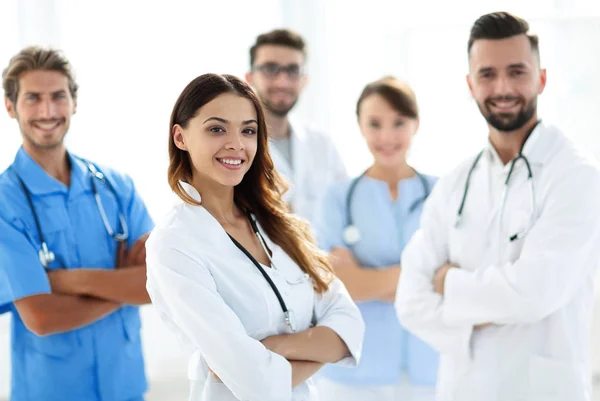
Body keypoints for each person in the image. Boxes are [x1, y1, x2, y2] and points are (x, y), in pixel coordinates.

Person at [396, 12, 600, 401]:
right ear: (470, 85)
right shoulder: (455, 182)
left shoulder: (576, 175)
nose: (503, 87)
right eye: (487, 74)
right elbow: (410, 301)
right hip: (463, 389)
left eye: (517, 72)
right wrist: (500, 302)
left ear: (541, 78)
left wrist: (449, 285)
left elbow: (537, 292)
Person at [145, 73, 364, 401]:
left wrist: (271, 349)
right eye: (217, 129)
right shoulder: (174, 243)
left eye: (248, 130)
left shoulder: (276, 223)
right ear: (180, 137)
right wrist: (320, 349)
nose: (236, 144)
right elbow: (255, 381)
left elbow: (349, 325)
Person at [0, 46, 154, 401]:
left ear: (74, 102)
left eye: (58, 96)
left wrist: (69, 282)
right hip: (52, 391)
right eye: (33, 98)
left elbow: (156, 284)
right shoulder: (7, 203)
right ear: (10, 106)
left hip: (125, 385)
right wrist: (120, 289)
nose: (48, 111)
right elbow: (41, 317)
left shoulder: (116, 187)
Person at [313, 77, 438, 400]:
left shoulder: (443, 194)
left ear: (416, 124)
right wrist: (421, 277)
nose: (387, 136)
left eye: (399, 122)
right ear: (360, 126)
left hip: (432, 368)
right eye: (375, 123)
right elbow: (340, 284)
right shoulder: (337, 198)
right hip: (354, 374)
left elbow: (453, 280)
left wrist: (372, 279)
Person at [245, 29, 347, 225]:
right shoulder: (235, 147)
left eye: (293, 70)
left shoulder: (322, 144)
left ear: (304, 80)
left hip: (322, 254)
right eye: (270, 68)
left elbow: (345, 210)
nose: (283, 81)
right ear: (250, 78)